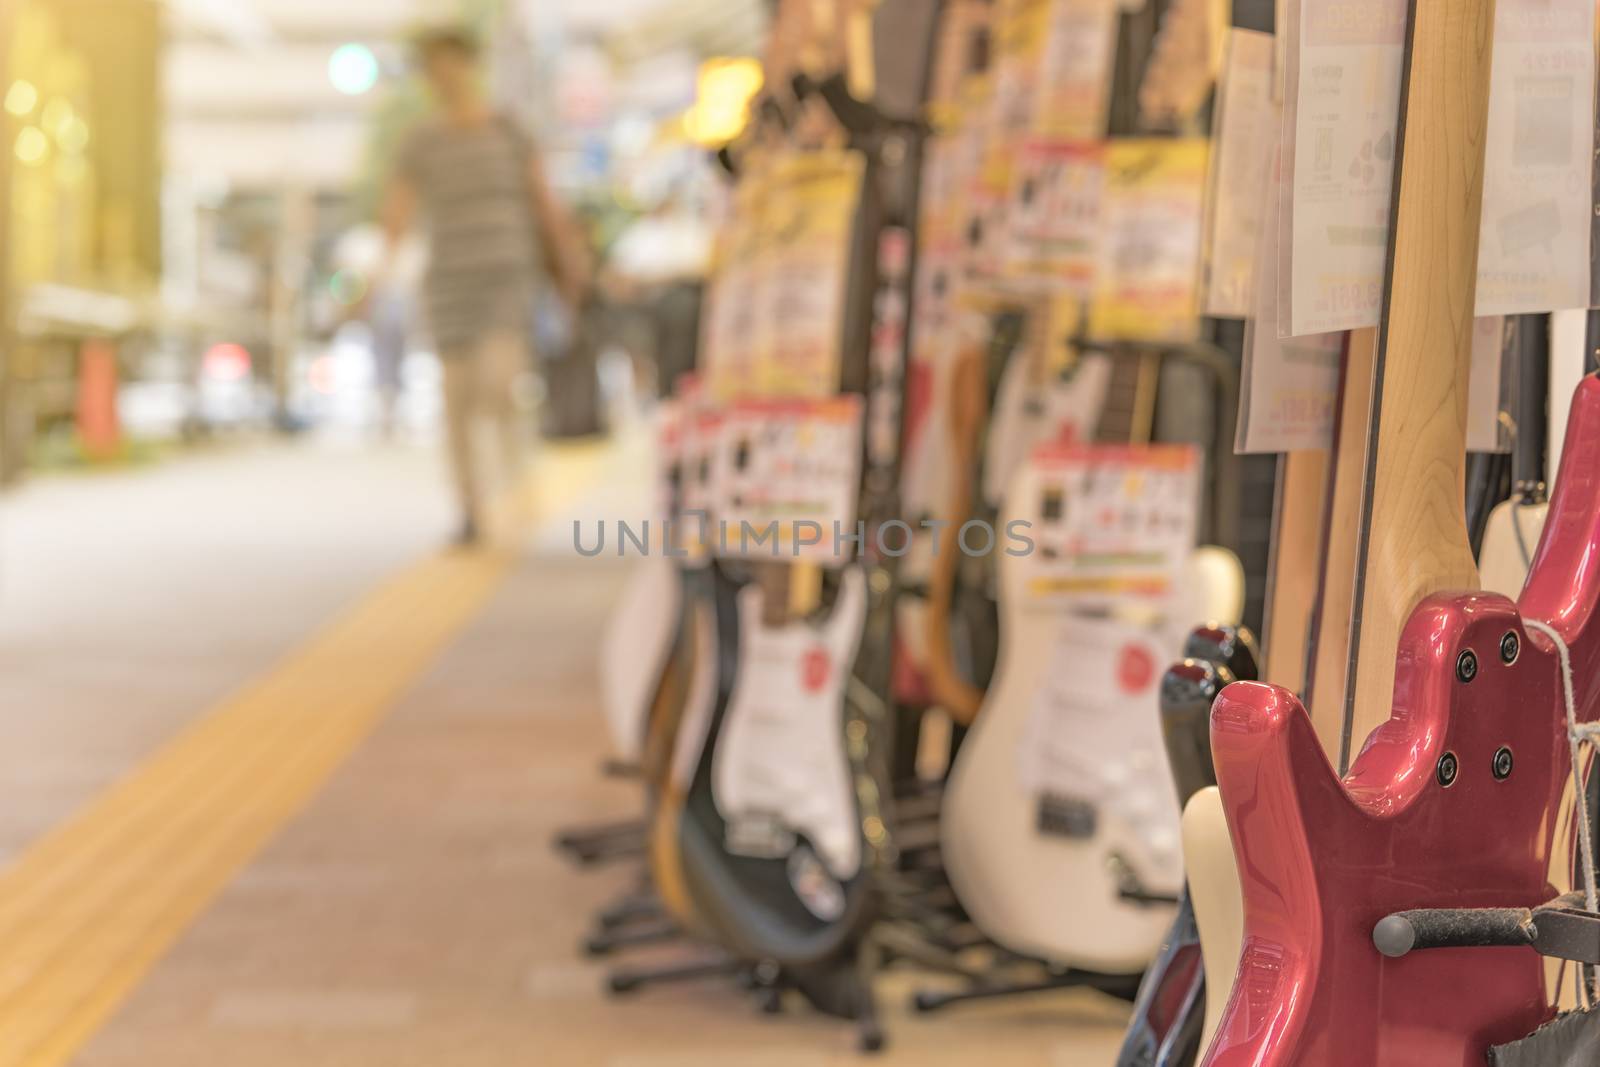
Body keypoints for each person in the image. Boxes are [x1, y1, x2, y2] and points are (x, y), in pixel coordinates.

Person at [377, 26, 588, 546]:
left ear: (471, 66)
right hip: (449, 284)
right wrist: (374, 281)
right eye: (434, 66)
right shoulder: (421, 141)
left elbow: (543, 200)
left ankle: (514, 486)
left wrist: (569, 263)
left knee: (500, 386)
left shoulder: (509, 130)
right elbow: (396, 216)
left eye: (452, 63)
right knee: (456, 402)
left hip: (507, 278)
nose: (444, 75)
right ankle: (472, 510)